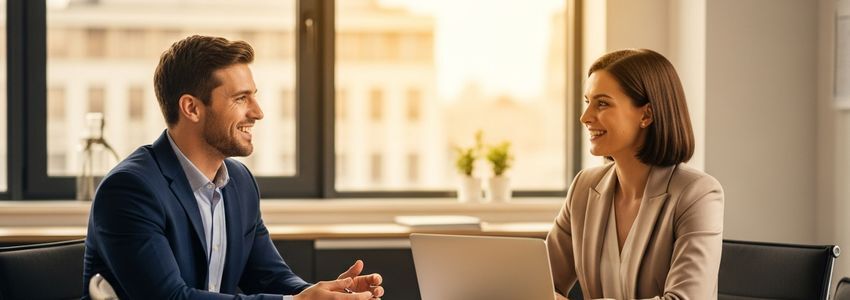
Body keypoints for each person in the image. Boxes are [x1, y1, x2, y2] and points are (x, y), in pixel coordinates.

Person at [82, 35, 384, 300]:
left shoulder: (239, 182)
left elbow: (270, 278)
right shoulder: (130, 190)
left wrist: (324, 294)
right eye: (241, 98)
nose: (258, 112)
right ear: (192, 108)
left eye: (254, 97)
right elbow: (170, 297)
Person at [547, 49, 724, 299]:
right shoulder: (584, 187)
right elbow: (541, 282)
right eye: (588, 102)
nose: (585, 117)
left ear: (646, 114)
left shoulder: (698, 194)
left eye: (603, 103)